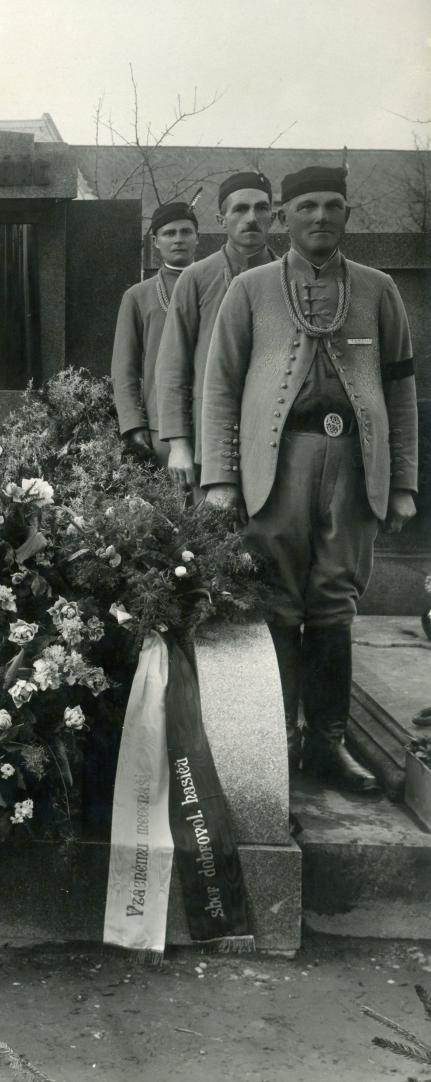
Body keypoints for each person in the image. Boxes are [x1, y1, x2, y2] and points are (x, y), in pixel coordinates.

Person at [199, 166, 418, 793]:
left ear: (347, 214)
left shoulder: (379, 291)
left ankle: (327, 747)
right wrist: (222, 477)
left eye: (332, 206)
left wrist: (402, 480)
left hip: (353, 464)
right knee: (275, 602)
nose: (320, 217)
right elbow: (220, 386)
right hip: (278, 464)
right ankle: (278, 748)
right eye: (306, 207)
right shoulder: (250, 291)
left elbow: (402, 391)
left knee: (335, 605)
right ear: (282, 217)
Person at [156, 173, 281, 494]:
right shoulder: (197, 277)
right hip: (208, 441)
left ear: (273, 215)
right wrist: (180, 445)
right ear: (221, 219)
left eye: (261, 208)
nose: (251, 218)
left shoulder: (289, 276)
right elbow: (172, 366)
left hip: (277, 438)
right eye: (239, 209)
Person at [111, 201, 198, 465]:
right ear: (156, 242)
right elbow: (124, 367)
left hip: (215, 423)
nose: (178, 240)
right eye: (169, 234)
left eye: (186, 232)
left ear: (198, 238)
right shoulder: (138, 296)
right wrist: (134, 424)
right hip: (160, 426)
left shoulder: (222, 286)